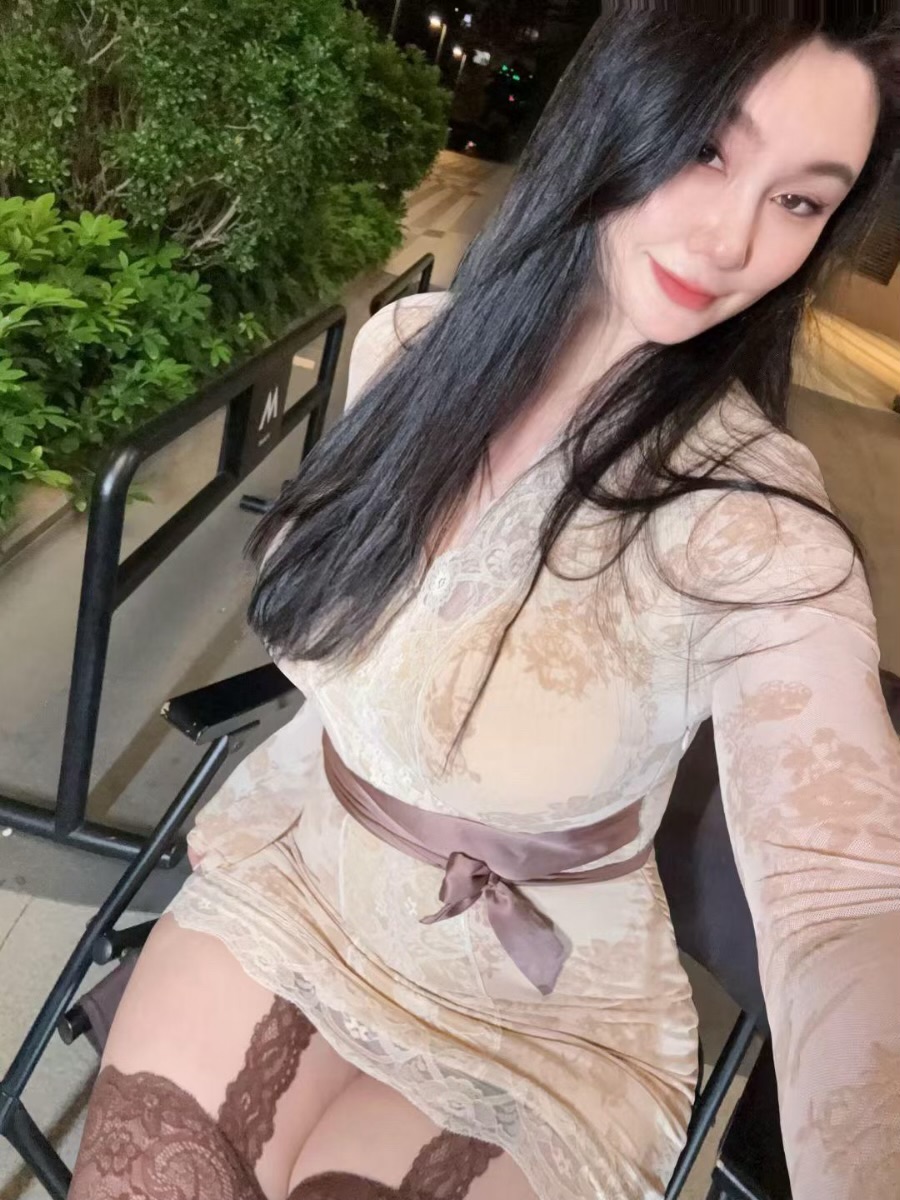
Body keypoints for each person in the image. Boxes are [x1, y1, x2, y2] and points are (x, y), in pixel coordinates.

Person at [69, 9, 900, 1200]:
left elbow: (845, 902)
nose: (732, 238)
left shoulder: (754, 525)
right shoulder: (414, 353)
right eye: (707, 147)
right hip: (297, 883)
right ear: (618, 109)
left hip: (542, 1004)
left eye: (800, 200)